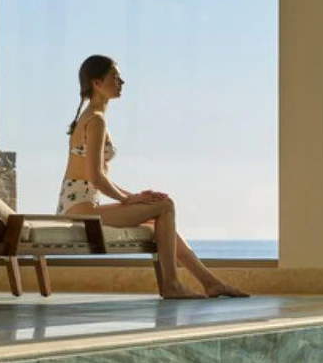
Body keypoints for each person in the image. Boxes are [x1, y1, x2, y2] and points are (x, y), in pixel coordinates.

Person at [56, 54, 248, 299]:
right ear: (97, 83)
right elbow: (96, 177)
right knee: (165, 206)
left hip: (79, 206)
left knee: (157, 217)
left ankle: (210, 282)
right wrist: (129, 199)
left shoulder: (89, 118)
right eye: (114, 76)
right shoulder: (96, 121)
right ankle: (173, 285)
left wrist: (134, 197)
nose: (121, 81)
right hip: (80, 211)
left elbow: (95, 177)